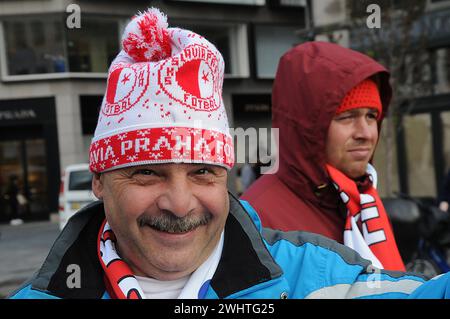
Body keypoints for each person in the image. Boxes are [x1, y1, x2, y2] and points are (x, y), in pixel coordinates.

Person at [9, 8, 450, 299]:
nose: (180, 204)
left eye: (203, 172)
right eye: (146, 173)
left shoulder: (310, 278)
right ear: (100, 180)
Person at [241, 41, 405, 271]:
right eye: (347, 117)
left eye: (371, 116)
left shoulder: (363, 201)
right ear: (307, 128)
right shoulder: (256, 218)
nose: (366, 133)